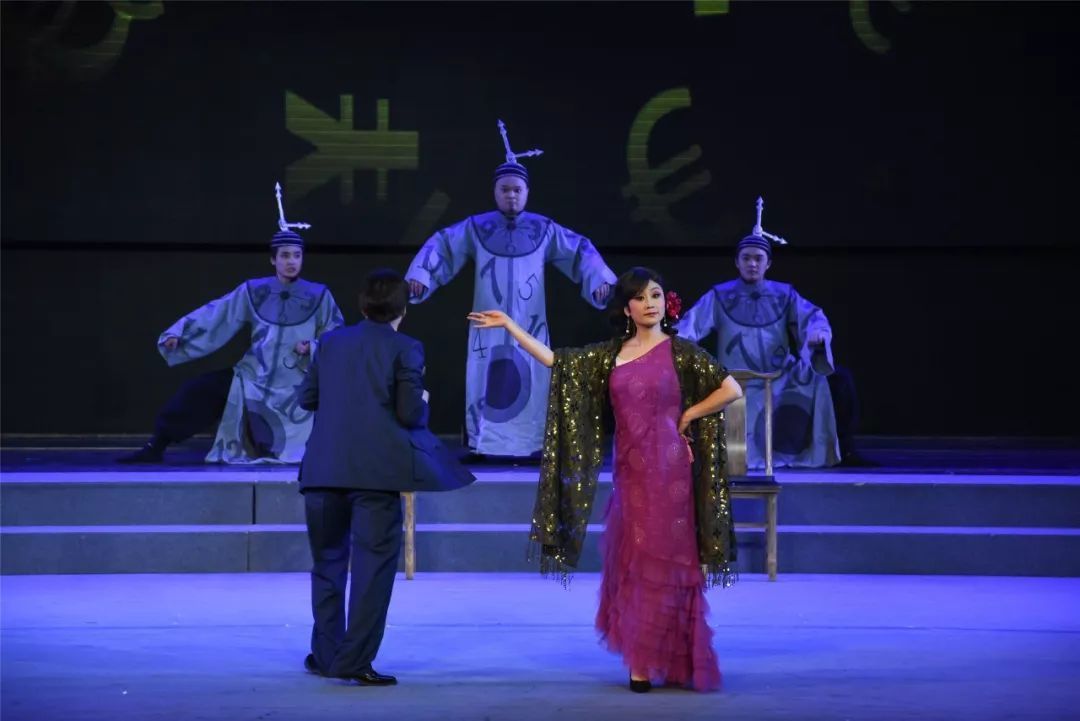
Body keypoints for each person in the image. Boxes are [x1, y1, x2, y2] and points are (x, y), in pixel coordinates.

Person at [468, 267, 742, 693]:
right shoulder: (610, 355)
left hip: (671, 470)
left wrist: (688, 414)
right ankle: (641, 659)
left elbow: (731, 389)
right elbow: (556, 361)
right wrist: (510, 325)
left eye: (656, 295)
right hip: (631, 473)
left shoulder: (681, 352)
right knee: (637, 559)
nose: (649, 304)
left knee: (670, 562)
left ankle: (671, 658)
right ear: (627, 308)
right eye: (640, 297)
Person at [298, 268, 475, 685]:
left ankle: (327, 655)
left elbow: (307, 398)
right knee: (372, 570)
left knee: (327, 564)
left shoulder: (330, 342)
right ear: (403, 310)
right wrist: (423, 400)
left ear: (362, 307)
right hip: (376, 475)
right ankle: (354, 661)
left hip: (323, 469)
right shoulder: (405, 347)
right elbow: (410, 412)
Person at [405, 120, 616, 458]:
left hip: (530, 324)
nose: (511, 195)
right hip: (487, 323)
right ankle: (484, 443)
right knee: (484, 377)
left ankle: (532, 444)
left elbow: (579, 251)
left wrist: (600, 281)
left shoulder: (544, 229)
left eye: (517, 189)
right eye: (505, 189)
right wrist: (421, 275)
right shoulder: (477, 227)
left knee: (533, 375)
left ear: (527, 192)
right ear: (495, 192)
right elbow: (443, 245)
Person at [119, 184, 343, 464]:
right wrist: (181, 333)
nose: (291, 262)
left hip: (297, 381)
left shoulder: (319, 295)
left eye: (296, 255)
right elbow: (218, 313)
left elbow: (337, 336)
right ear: (273, 259)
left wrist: (313, 346)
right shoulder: (254, 290)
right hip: (254, 375)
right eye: (285, 255)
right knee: (199, 391)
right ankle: (156, 445)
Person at [676, 197, 862, 469]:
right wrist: (672, 345)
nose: (752, 263)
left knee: (832, 378)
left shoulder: (784, 294)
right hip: (734, 380)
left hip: (779, 376)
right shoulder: (719, 295)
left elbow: (812, 317)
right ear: (737, 262)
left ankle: (840, 450)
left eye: (758, 258)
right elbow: (689, 326)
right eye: (746, 258)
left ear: (768, 263)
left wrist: (817, 334)